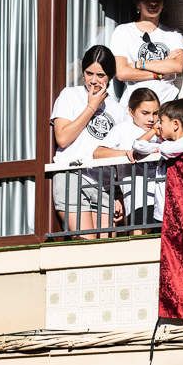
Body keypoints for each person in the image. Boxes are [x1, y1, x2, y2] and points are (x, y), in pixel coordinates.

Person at [51, 45, 128, 235]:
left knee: (105, 247)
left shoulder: (117, 109)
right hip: (72, 175)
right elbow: (62, 138)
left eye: (100, 75)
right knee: (86, 244)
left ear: (110, 76)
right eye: (89, 73)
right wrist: (91, 107)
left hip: (105, 182)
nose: (93, 80)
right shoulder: (70, 96)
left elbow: (117, 155)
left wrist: (119, 194)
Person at [94, 88, 161, 233]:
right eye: (145, 113)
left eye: (155, 113)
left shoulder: (161, 130)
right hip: (138, 202)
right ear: (131, 112)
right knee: (140, 245)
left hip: (162, 201)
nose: (151, 119)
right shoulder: (122, 129)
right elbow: (98, 153)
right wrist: (125, 154)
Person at [110, 0, 183, 105]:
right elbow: (122, 73)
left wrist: (138, 65)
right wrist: (160, 73)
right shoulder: (123, 31)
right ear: (137, 3)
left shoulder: (173, 34)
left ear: (164, 3)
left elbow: (177, 66)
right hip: (134, 105)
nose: (153, 3)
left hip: (167, 104)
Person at [133, 99, 183, 224]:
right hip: (161, 212)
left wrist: (158, 147)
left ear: (175, 124)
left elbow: (167, 149)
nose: (158, 125)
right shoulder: (165, 144)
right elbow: (138, 145)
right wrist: (153, 132)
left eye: (161, 121)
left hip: (178, 212)